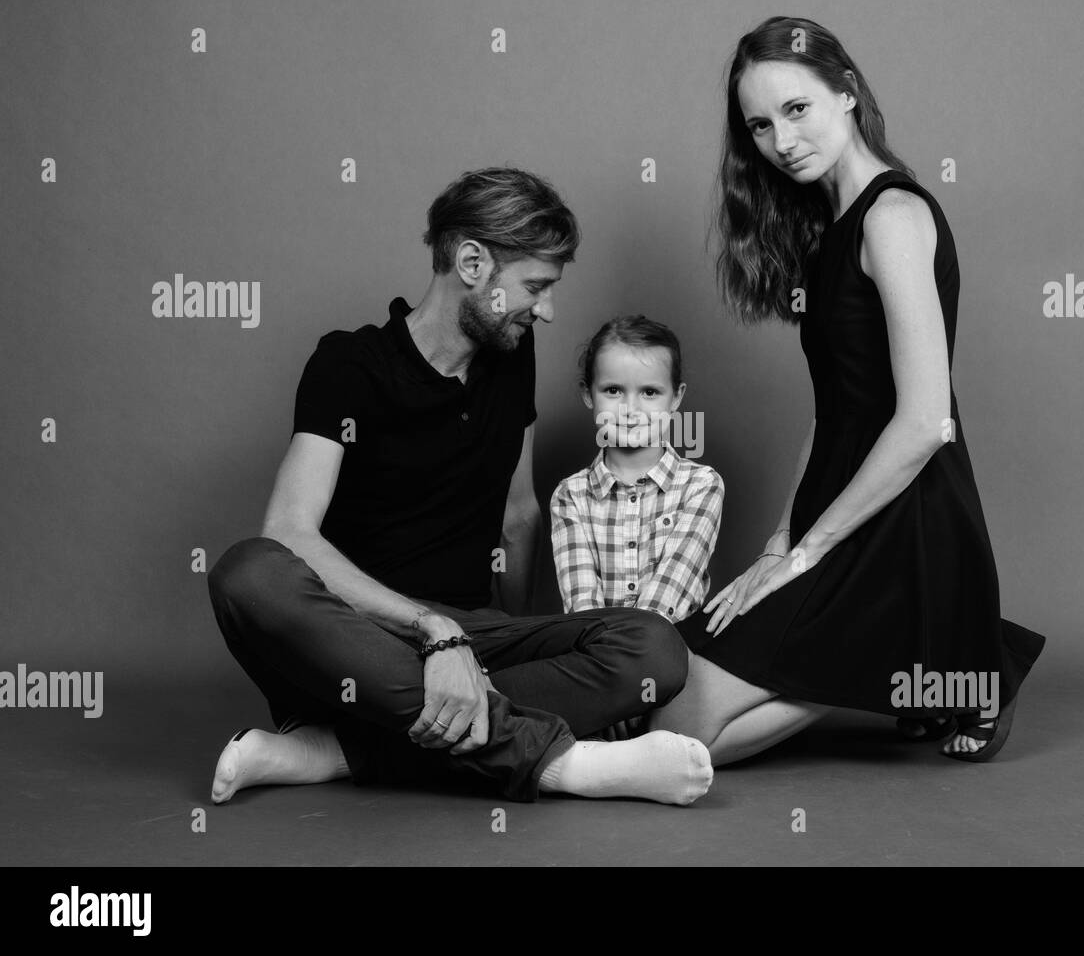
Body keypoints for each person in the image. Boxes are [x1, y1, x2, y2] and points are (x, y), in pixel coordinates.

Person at [207, 167, 713, 806]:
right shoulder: (349, 365)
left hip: (475, 640)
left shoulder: (511, 353)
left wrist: (493, 641)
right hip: (358, 642)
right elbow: (288, 531)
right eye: (536, 286)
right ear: (472, 262)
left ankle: (336, 750)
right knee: (246, 571)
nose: (548, 310)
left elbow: (519, 515)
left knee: (655, 646)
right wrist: (432, 630)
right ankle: (563, 763)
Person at [649, 17, 1047, 764]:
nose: (781, 140)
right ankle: (937, 667)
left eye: (796, 110)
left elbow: (927, 422)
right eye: (760, 125)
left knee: (679, 733)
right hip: (839, 509)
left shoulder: (894, 216)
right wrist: (779, 540)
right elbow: (835, 411)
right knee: (665, 698)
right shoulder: (826, 234)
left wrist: (807, 556)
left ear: (848, 93)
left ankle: (956, 665)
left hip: (905, 520)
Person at [550, 316, 725, 627]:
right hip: (597, 653)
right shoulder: (570, 496)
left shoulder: (701, 486)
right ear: (589, 393)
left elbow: (668, 596)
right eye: (614, 390)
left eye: (649, 392)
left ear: (677, 397)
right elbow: (583, 611)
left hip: (672, 648)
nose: (630, 410)